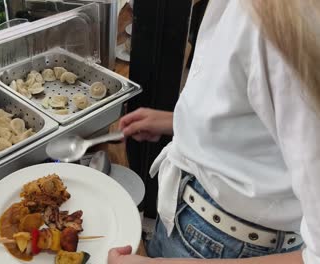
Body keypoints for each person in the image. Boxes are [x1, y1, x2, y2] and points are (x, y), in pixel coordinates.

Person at [108, 0, 320, 263]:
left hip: (227, 246)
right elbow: (260, 107)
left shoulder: (292, 19)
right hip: (186, 216)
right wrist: (180, 122)